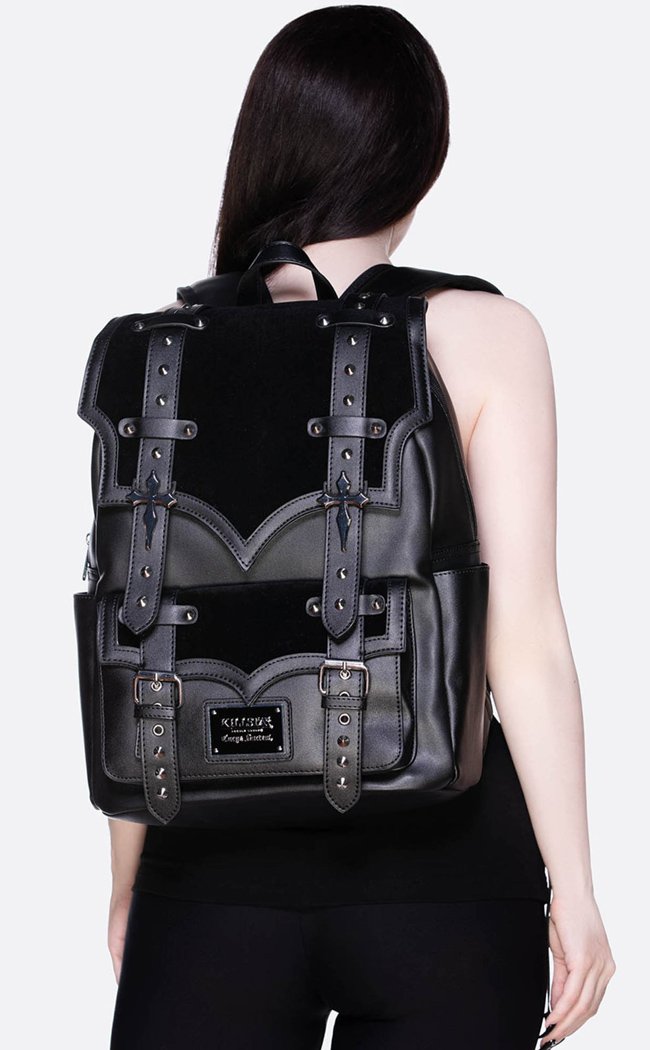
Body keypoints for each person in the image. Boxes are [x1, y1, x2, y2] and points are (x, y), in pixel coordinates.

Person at [106, 7, 616, 1049]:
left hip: (208, 883)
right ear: (418, 159)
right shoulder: (484, 334)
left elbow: (137, 627)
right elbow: (522, 639)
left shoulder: (159, 352)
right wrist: (574, 886)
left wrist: (129, 885)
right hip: (449, 881)